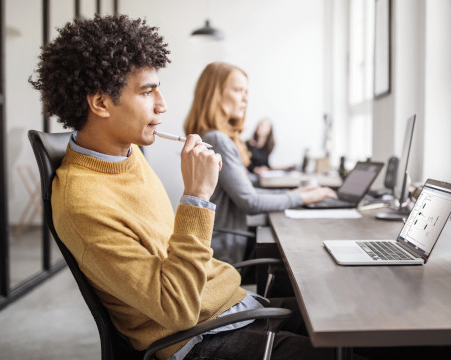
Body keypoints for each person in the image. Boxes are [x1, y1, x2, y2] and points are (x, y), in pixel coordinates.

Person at [29, 14, 340, 360]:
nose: (162, 105)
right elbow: (177, 309)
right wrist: (196, 197)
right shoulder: (82, 202)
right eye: (147, 91)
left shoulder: (126, 154)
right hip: (199, 338)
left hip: (230, 307)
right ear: (100, 103)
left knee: (346, 314)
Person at [183, 62, 337, 265]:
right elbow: (251, 202)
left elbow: (249, 193)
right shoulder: (217, 139)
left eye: (246, 92)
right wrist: (301, 197)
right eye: (238, 90)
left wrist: (302, 195)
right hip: (222, 253)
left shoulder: (213, 137)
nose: (245, 99)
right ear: (215, 94)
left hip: (223, 246)